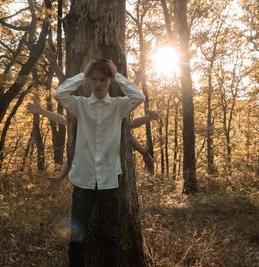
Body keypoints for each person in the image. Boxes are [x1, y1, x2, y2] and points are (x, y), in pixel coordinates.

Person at [52, 58, 145, 267]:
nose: (98, 84)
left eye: (103, 79)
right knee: (77, 239)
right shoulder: (80, 104)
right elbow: (59, 94)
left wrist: (118, 74)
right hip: (83, 180)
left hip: (110, 180)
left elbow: (139, 96)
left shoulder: (120, 106)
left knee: (110, 237)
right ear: (89, 80)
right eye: (93, 79)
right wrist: (82, 75)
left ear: (109, 81)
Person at [27, 96, 160, 194]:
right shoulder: (84, 128)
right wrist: (41, 111)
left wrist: (143, 150)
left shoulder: (109, 121)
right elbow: (63, 121)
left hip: (110, 171)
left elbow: (127, 127)